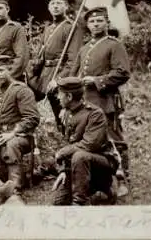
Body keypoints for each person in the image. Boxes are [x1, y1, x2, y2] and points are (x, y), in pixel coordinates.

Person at [70, 6, 131, 196]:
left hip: (106, 100)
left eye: (99, 21)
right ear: (87, 25)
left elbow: (122, 73)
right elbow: (74, 74)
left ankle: (122, 178)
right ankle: (93, 179)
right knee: (86, 140)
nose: (96, 24)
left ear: (107, 23)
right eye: (92, 22)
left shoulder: (114, 45)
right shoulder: (84, 48)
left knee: (113, 139)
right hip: (85, 103)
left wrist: (97, 81)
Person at [51, 77, 119, 206]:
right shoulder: (67, 113)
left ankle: (82, 201)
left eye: (60, 94)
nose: (58, 97)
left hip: (102, 163)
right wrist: (63, 170)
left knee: (80, 156)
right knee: (58, 203)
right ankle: (93, 192)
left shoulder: (95, 114)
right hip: (78, 166)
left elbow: (90, 144)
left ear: (69, 96)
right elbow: (68, 142)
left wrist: (63, 152)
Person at [0, 55, 40, 204]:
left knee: (11, 145)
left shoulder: (21, 90)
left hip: (22, 136)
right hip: (0, 134)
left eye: (1, 70)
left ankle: (15, 187)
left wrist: (12, 133)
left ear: (9, 69)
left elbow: (32, 118)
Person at [28, 0, 84, 131]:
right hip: (45, 74)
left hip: (60, 73)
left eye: (59, 3)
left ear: (66, 6)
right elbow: (41, 56)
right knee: (24, 96)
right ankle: (28, 132)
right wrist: (32, 72)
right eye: (52, 4)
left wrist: (59, 80)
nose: (55, 7)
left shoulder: (71, 27)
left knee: (63, 113)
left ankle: (71, 138)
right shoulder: (48, 28)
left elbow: (73, 59)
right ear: (48, 8)